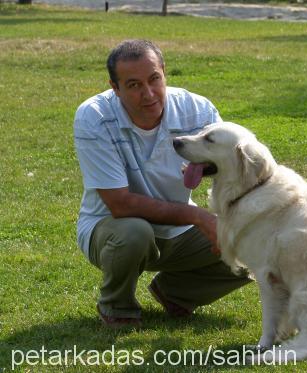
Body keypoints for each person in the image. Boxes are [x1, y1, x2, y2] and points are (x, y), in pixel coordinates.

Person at [73, 39, 251, 328]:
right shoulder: (94, 117)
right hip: (112, 228)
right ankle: (117, 307)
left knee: (250, 241)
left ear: (164, 72)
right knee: (134, 232)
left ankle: (176, 293)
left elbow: (232, 170)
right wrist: (199, 216)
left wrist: (239, 221)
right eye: (133, 85)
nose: (149, 94)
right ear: (114, 88)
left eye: (154, 79)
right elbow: (119, 204)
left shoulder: (198, 110)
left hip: (180, 231)